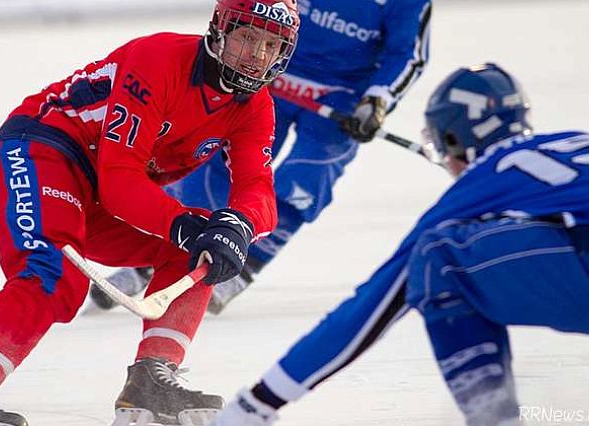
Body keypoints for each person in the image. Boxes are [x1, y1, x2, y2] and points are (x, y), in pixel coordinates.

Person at [0, 1, 300, 426]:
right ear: (218, 30)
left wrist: (239, 226)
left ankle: (152, 379)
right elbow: (120, 178)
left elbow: (257, 188)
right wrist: (181, 225)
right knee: (55, 271)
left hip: (96, 186)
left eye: (270, 45)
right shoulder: (157, 59)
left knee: (201, 250)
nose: (257, 56)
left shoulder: (255, 106)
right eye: (247, 37)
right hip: (40, 149)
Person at [207, 63, 589, 426]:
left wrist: (258, 402)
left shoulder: (487, 177)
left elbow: (371, 305)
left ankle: (494, 416)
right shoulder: (588, 144)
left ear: (453, 140)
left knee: (437, 256)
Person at [90, 0, 432, 314]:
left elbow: (408, 52)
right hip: (266, 76)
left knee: (305, 180)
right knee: (213, 164)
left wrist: (378, 99)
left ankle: (243, 264)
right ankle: (153, 258)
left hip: (342, 97)